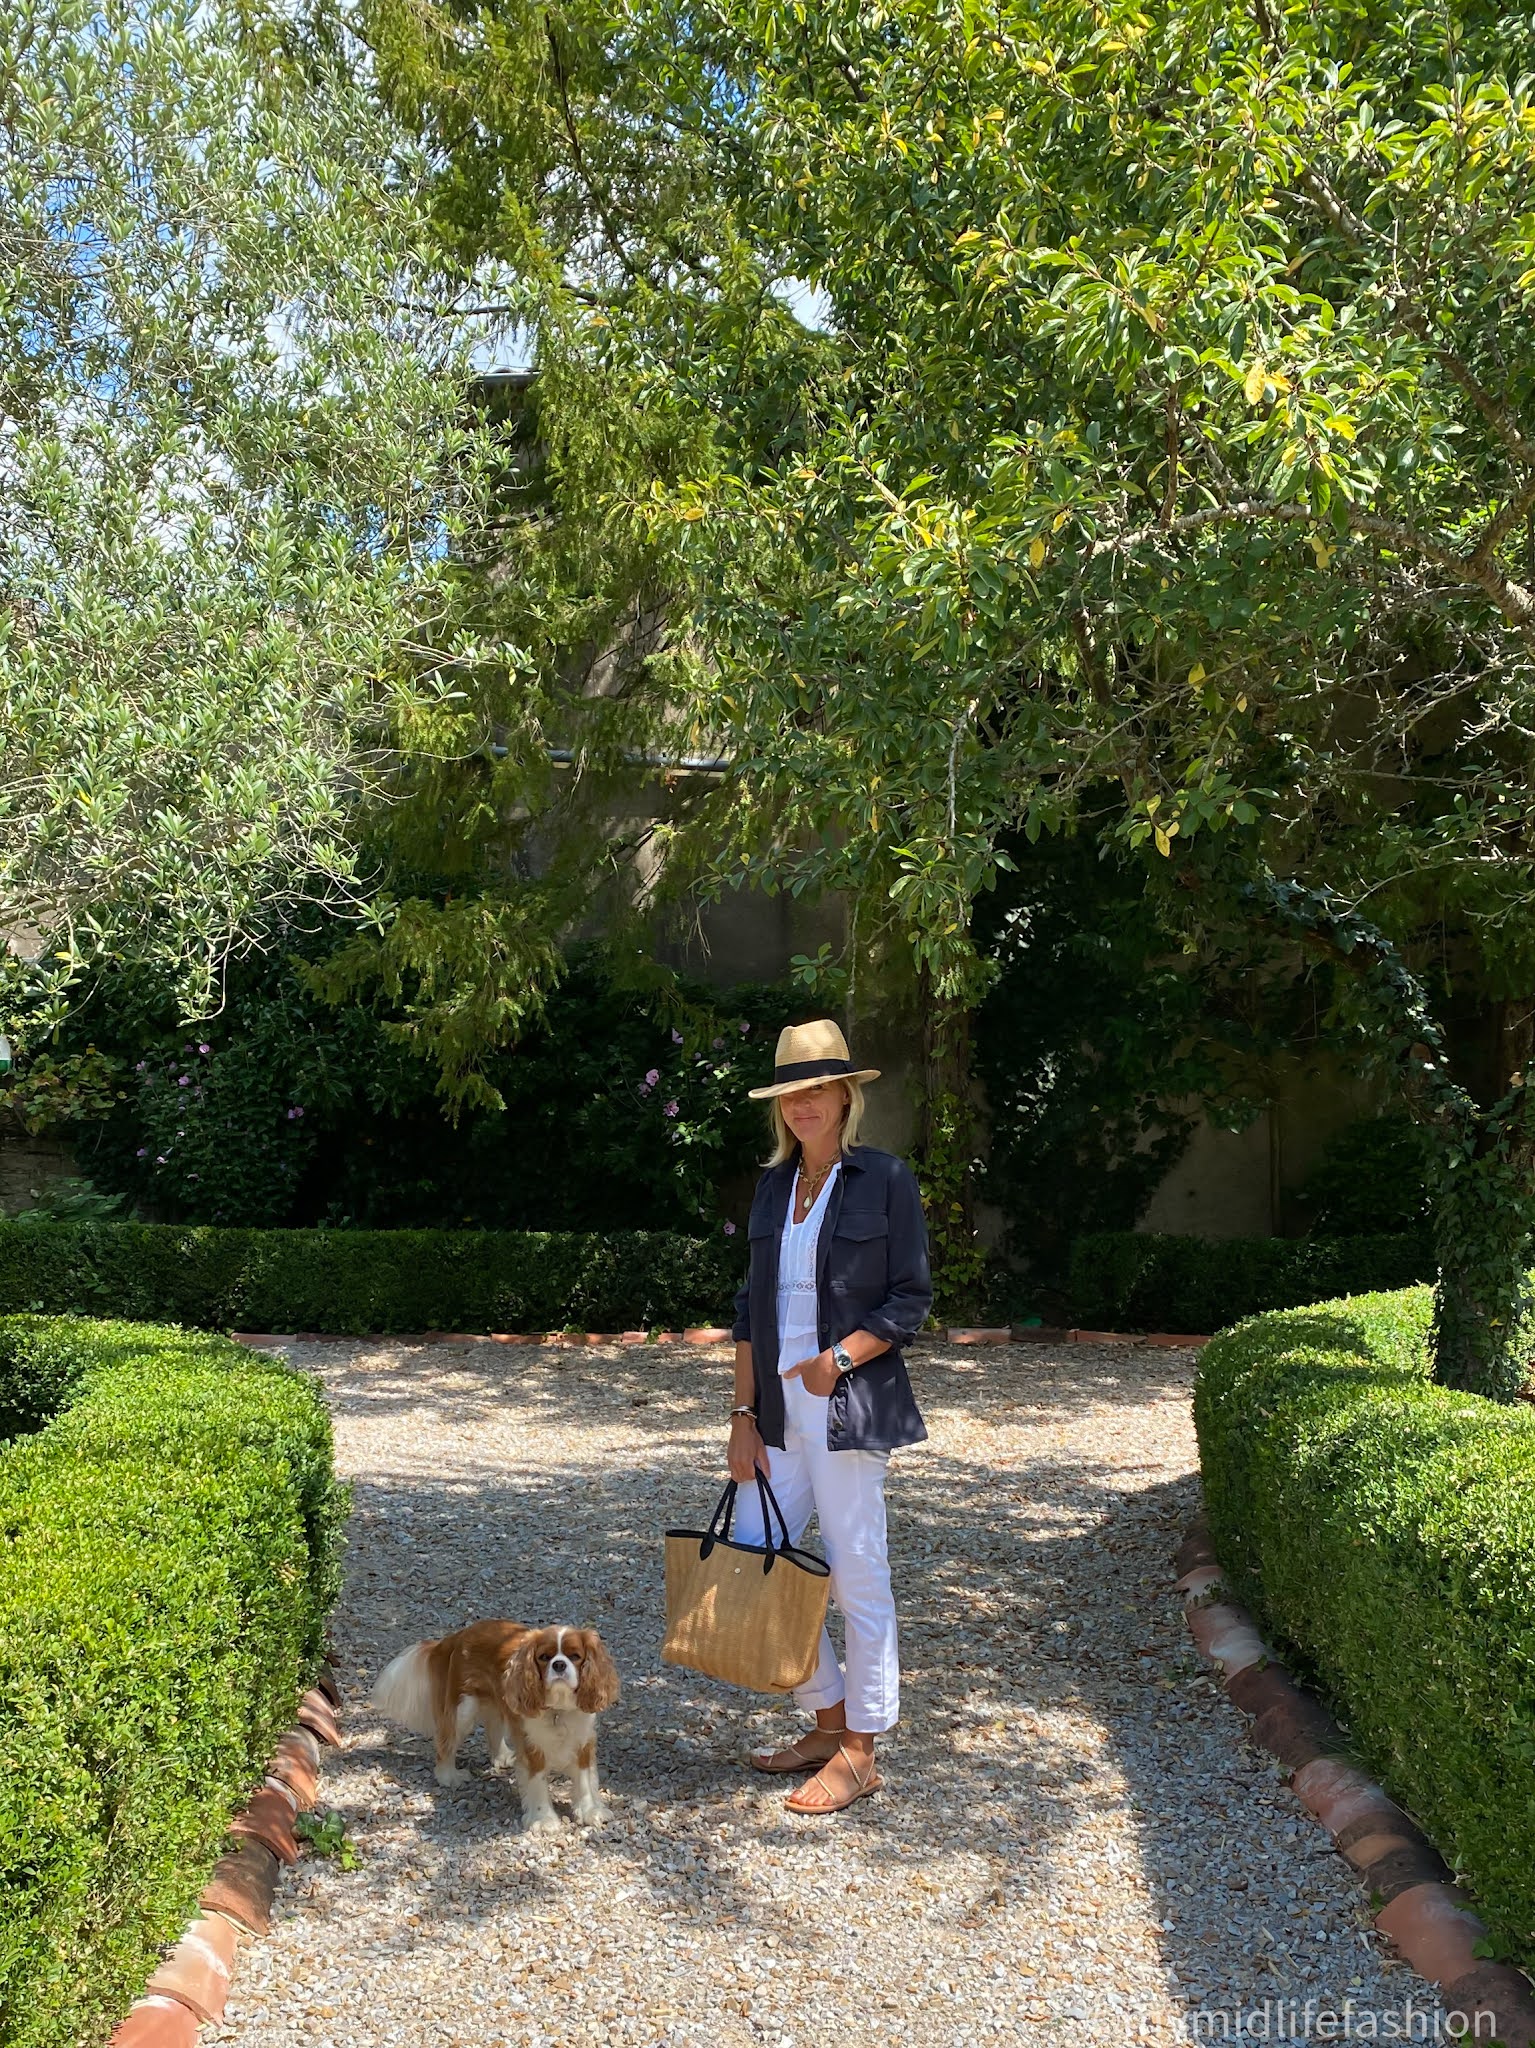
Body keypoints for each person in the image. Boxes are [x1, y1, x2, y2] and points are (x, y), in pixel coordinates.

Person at [727, 1017, 932, 1815]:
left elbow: (909, 1298)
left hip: (848, 1406)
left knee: (855, 1575)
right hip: (775, 1412)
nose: (804, 1106)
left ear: (845, 1095)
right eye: (791, 1095)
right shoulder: (774, 1186)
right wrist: (743, 1414)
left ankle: (860, 1751)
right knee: (754, 1553)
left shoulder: (884, 1178)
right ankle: (827, 1716)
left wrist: (837, 1358)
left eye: (818, 1090)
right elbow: (749, 1309)